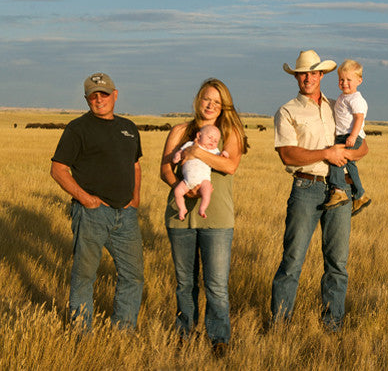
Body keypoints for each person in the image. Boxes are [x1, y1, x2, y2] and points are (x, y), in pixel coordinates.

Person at [271, 50, 369, 331]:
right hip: (307, 186)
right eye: (302, 73)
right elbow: (288, 155)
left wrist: (347, 155)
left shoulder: (338, 105)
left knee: (337, 262)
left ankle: (332, 325)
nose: (307, 78)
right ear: (296, 77)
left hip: (341, 190)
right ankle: (280, 325)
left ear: (322, 75)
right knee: (292, 260)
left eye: (313, 73)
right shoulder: (288, 111)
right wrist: (328, 153)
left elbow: (363, 147)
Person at [50, 72, 144, 332]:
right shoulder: (77, 128)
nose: (99, 99)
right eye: (93, 95)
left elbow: (135, 166)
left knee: (133, 276)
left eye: (104, 94)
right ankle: (82, 334)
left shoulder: (129, 128)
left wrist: (135, 199)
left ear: (115, 95)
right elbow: (58, 169)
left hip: (125, 215)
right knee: (84, 276)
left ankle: (123, 331)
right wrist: (87, 200)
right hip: (92, 214)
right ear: (86, 99)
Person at [160, 78, 247, 358]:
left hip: (217, 218)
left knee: (216, 284)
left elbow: (230, 165)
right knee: (185, 282)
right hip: (180, 216)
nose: (210, 105)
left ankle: (219, 339)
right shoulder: (180, 130)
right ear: (198, 100)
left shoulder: (230, 132)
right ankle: (184, 334)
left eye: (217, 102)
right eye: (206, 99)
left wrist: (196, 152)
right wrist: (184, 188)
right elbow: (165, 170)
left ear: (224, 107)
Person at [324, 59, 371, 216]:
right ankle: (360, 195)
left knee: (337, 160)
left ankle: (339, 191)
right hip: (344, 135)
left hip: (350, 136)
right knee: (350, 166)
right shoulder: (343, 97)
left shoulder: (356, 99)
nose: (344, 83)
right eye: (341, 80)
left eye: (349, 80)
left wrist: (352, 136)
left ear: (359, 80)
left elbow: (359, 118)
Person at [172, 124, 229, 220]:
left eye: (216, 141)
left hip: (203, 180)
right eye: (210, 137)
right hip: (187, 180)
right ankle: (182, 208)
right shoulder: (189, 144)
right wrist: (177, 155)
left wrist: (224, 154)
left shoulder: (214, 150)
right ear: (199, 135)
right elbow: (181, 152)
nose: (212, 141)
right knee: (177, 191)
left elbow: (220, 159)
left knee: (207, 192)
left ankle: (202, 209)